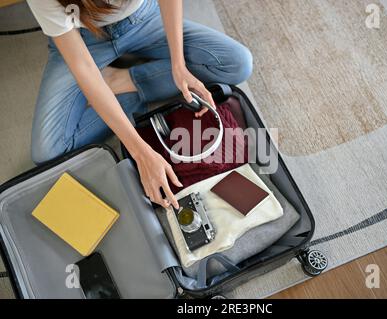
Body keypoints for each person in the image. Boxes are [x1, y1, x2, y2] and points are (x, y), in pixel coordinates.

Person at [26, 0, 253, 209]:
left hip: (142, 19)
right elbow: (82, 65)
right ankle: (117, 89)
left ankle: (120, 80)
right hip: (83, 39)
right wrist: (141, 152)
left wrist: (178, 65)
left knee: (237, 63)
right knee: (48, 152)